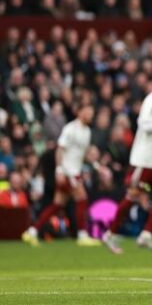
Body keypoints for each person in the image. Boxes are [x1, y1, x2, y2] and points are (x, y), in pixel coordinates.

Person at [103, 68, 152, 253]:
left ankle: (146, 234)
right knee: (131, 198)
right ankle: (110, 234)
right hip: (144, 160)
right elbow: (144, 125)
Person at [22, 104, 102, 247]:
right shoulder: (70, 128)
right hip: (67, 172)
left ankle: (31, 231)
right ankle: (82, 235)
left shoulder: (87, 131)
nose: (90, 114)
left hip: (74, 171)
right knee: (82, 199)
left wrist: (97, 166)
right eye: (88, 111)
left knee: (57, 205)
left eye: (92, 112)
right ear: (80, 111)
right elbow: (60, 150)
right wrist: (59, 170)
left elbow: (84, 154)